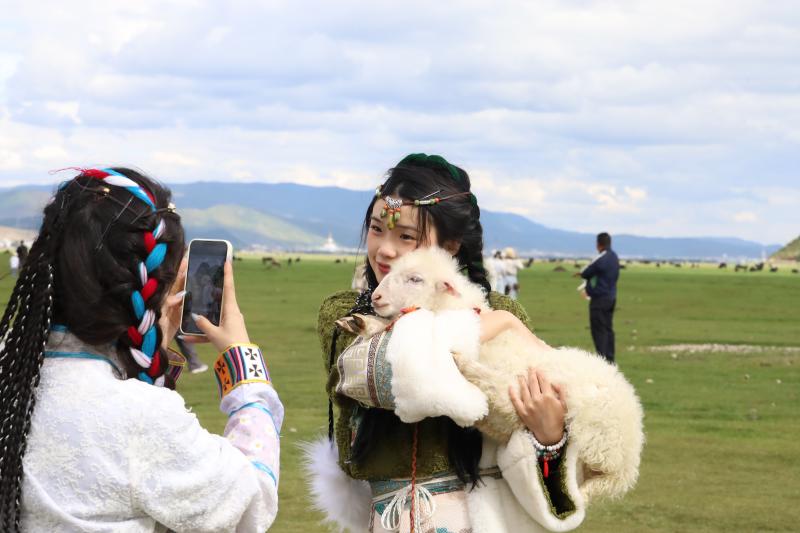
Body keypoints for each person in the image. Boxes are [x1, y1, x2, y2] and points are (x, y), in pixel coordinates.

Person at [315, 154, 587, 533]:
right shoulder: (348, 318)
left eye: (406, 236)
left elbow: (520, 419)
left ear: (451, 246)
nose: (385, 249)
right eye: (377, 229)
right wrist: (481, 326)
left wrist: (550, 436)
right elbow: (401, 374)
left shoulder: (504, 314)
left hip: (490, 518)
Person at [0, 168, 282, 532]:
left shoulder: (11, 374)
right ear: (154, 287)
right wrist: (243, 363)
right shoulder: (142, 418)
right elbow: (249, 500)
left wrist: (149, 339)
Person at [576, 232, 620, 363]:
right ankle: (610, 359)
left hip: (599, 298)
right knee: (608, 328)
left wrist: (586, 279)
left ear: (598, 244)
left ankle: (602, 360)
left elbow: (586, 272)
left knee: (598, 330)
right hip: (611, 297)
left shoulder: (602, 257)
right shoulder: (614, 257)